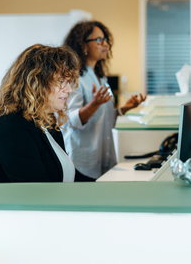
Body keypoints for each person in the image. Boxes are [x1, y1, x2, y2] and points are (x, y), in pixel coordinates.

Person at [0, 44, 81, 183]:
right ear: (36, 83)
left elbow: (68, 175)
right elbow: (37, 192)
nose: (68, 89)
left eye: (69, 82)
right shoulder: (12, 128)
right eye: (61, 81)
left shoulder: (45, 122)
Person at [61, 21, 146, 181]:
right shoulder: (75, 78)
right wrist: (94, 104)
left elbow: (103, 117)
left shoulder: (100, 77)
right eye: (99, 40)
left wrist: (125, 108)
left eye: (106, 39)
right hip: (82, 162)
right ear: (83, 45)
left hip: (102, 157)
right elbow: (71, 120)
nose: (105, 43)